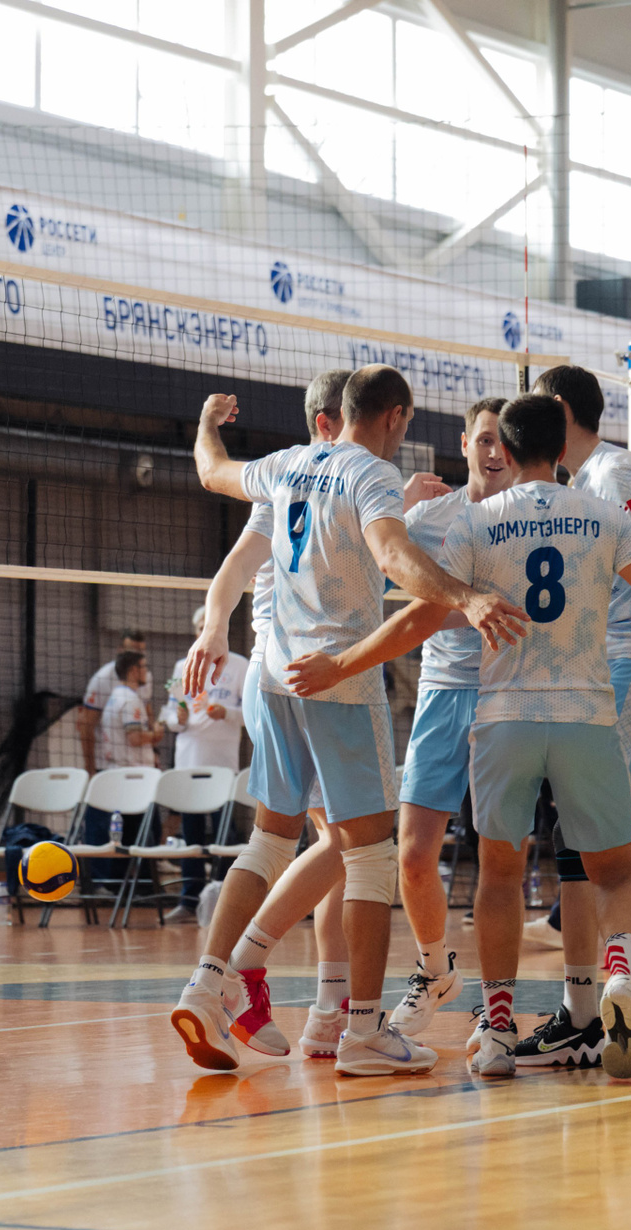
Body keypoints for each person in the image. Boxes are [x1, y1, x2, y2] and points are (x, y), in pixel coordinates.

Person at [287, 393, 631, 1079]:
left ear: (508, 447)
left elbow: (419, 618)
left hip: (504, 718)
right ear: (561, 448)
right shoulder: (606, 514)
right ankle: (618, 974)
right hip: (585, 715)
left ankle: (496, 1031)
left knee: (499, 873)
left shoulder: (476, 521)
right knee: (615, 869)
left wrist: (340, 664)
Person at [172, 365, 526, 1077]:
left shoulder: (284, 466)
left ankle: (208, 988)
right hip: (338, 677)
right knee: (367, 856)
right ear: (393, 417)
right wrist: (466, 597)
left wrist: (207, 425)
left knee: (270, 842)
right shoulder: (370, 475)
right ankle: (362, 1031)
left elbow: (211, 472)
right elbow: (394, 555)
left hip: (275, 676)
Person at [517, 364, 631, 1044]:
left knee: (591, 828)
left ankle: (593, 1004)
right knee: (593, 830)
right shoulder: (583, 482)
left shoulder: (614, 476)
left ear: (560, 411)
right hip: (618, 657)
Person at [385, 395, 511, 1037]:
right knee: (412, 855)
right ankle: (435, 969)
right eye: (483, 439)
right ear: (464, 444)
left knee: (500, 861)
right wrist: (397, 503)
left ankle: (497, 1006)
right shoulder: (427, 517)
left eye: (503, 440)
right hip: (441, 692)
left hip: (512, 698)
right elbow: (371, 564)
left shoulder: (536, 518)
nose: (493, 451)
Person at [161, 605, 246, 921]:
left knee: (225, 833)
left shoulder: (239, 665)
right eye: (199, 629)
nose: (203, 634)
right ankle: (189, 900)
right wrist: (178, 718)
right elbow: (171, 716)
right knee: (191, 834)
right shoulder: (182, 665)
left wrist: (227, 713)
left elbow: (251, 714)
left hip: (223, 765)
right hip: (189, 761)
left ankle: (224, 899)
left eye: (207, 627)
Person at [80, 629, 146, 773]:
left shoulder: (145, 675)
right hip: (107, 763)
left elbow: (147, 711)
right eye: (132, 650)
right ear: (120, 650)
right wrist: (90, 769)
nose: (137, 655)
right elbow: (85, 725)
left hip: (137, 763)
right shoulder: (102, 679)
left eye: (141, 651)